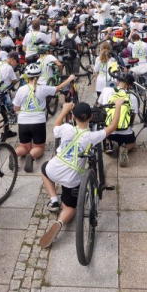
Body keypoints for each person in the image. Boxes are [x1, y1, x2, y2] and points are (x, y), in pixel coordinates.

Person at [39, 100, 124, 248]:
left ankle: (53, 199)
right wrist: (117, 106)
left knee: (44, 170)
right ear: (91, 117)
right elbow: (113, 127)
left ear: (73, 117)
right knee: (70, 208)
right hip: (72, 178)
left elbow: (55, 128)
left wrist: (65, 110)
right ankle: (60, 222)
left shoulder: (66, 129)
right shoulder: (91, 136)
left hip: (54, 168)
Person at [13, 63, 76, 172]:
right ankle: (31, 156)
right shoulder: (43, 89)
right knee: (39, 148)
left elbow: (16, 108)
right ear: (39, 76)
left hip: (23, 122)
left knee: (24, 147)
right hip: (38, 122)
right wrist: (70, 78)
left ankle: (14, 154)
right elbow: (58, 88)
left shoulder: (21, 89)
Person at [98, 72, 138, 167]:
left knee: (105, 130)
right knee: (133, 143)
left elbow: (100, 107)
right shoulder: (133, 97)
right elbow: (132, 118)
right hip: (125, 133)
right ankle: (124, 148)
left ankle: (107, 143)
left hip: (109, 131)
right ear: (130, 85)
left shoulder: (106, 90)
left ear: (118, 81)